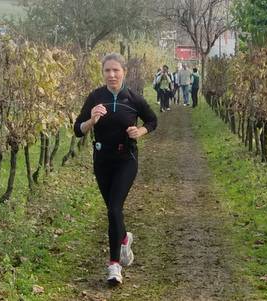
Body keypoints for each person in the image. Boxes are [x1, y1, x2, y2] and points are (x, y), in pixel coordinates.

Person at [74, 53, 157, 285]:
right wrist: (91, 121)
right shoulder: (95, 97)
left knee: (113, 209)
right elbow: (77, 129)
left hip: (126, 159)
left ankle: (114, 266)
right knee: (113, 211)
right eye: (107, 71)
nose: (111, 75)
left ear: (124, 72)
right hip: (102, 161)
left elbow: (152, 120)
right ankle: (123, 239)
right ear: (103, 73)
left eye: (116, 70)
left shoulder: (132, 98)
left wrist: (140, 132)